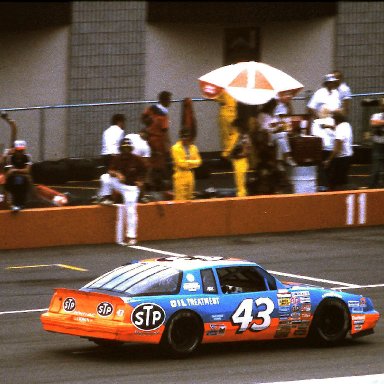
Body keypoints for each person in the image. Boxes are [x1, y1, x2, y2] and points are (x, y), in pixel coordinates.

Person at [99, 137, 147, 246]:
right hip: (120, 184)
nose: (125, 151)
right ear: (121, 149)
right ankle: (106, 197)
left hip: (131, 188)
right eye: (124, 148)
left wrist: (141, 181)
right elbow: (110, 170)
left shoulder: (137, 159)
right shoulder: (117, 158)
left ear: (130, 149)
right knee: (105, 177)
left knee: (130, 211)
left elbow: (145, 170)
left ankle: (131, 237)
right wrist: (117, 174)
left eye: (127, 148)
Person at [141, 91, 173, 191]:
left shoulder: (151, 108)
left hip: (149, 139)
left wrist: (148, 126)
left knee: (151, 161)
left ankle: (148, 182)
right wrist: (169, 145)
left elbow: (143, 118)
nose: (170, 102)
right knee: (159, 163)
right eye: (169, 100)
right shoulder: (163, 115)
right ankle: (155, 183)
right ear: (165, 100)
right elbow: (165, 131)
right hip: (158, 140)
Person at [323, 111, 353, 191]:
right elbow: (337, 129)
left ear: (336, 120)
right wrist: (329, 126)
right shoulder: (347, 125)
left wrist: (328, 160)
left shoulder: (340, 128)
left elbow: (337, 148)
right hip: (348, 156)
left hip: (341, 158)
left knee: (335, 182)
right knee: (343, 180)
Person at [170, 128, 202, 200]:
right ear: (180, 137)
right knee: (180, 199)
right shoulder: (175, 148)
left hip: (190, 175)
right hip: (180, 176)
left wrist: (187, 161)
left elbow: (199, 162)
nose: (185, 139)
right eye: (183, 137)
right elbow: (181, 164)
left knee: (190, 199)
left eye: (186, 137)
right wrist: (192, 162)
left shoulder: (193, 148)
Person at [4, 140, 33, 212]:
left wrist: (15, 170)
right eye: (18, 151)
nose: (20, 153)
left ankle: (21, 202)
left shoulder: (27, 157)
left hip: (24, 178)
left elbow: (27, 171)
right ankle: (11, 202)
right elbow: (9, 172)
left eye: (21, 151)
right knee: (13, 180)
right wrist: (18, 171)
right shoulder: (10, 157)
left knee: (24, 179)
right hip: (12, 178)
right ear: (15, 150)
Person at [310, 116, 336, 191]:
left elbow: (314, 135)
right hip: (327, 148)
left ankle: (325, 186)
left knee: (324, 168)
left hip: (325, 148)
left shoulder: (317, 122)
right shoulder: (317, 122)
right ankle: (326, 186)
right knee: (325, 169)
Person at [367, 98, 384, 188]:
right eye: (382, 105)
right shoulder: (376, 115)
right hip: (377, 146)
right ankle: (372, 188)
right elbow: (373, 123)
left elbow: (376, 124)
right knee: (375, 170)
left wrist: (379, 124)